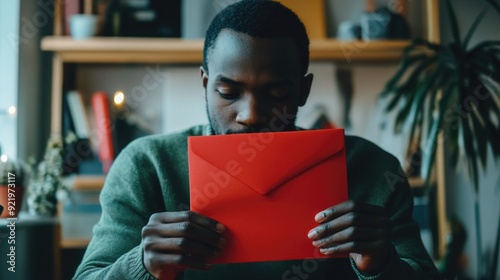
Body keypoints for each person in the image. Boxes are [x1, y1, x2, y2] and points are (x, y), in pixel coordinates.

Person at [74, 1, 440, 279]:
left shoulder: (373, 170)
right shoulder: (146, 165)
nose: (251, 114)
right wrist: (141, 264)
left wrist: (383, 263)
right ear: (205, 84)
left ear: (303, 90)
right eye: (228, 92)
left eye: (277, 93)